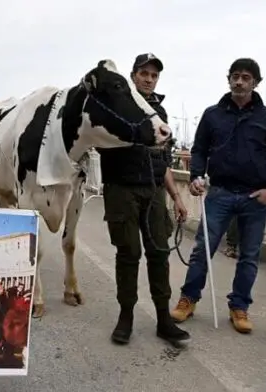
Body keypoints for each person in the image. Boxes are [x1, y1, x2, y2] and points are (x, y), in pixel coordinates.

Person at [170, 58, 266, 334]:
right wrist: (197, 175)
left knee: (249, 256)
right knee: (203, 250)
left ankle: (239, 306)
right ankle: (188, 299)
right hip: (219, 193)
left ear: (256, 82)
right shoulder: (212, 115)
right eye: (235, 76)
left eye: (246, 77)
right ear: (228, 79)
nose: (239, 81)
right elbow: (199, 149)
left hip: (254, 197)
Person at [98, 52, 191, 345]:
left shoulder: (158, 114)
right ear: (133, 75)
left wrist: (176, 197)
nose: (149, 79)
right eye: (144, 74)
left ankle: (164, 319)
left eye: (154, 75)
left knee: (159, 255)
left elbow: (162, 163)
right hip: (122, 190)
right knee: (128, 255)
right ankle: (126, 316)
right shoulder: (116, 106)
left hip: (153, 191)